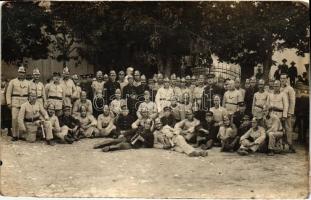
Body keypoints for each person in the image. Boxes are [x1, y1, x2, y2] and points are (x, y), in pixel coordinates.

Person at [6, 66, 30, 141]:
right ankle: (15, 135)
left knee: (22, 119)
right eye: (20, 72)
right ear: (18, 72)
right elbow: (8, 93)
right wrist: (9, 102)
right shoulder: (12, 81)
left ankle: (21, 135)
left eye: (23, 72)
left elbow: (30, 93)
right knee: (14, 118)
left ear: (25, 73)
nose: (21, 74)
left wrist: (29, 103)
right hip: (15, 102)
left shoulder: (28, 83)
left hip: (24, 102)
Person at [280, 73, 296, 153]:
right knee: (280, 128)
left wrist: (290, 112)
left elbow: (292, 102)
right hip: (280, 112)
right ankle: (282, 145)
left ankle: (290, 145)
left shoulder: (290, 89)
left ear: (287, 79)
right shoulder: (279, 88)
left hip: (287, 112)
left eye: (284, 78)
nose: (282, 80)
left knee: (288, 128)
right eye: (281, 78)